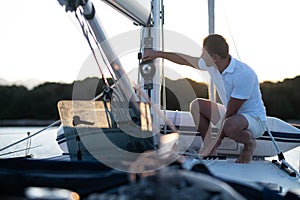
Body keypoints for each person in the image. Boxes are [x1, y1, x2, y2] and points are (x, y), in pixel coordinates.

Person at [142, 34, 267, 164]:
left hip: (254, 120)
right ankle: (208, 146)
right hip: (231, 114)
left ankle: (249, 144)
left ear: (215, 58)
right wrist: (158, 54)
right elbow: (185, 60)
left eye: (203, 53)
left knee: (230, 124)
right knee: (196, 105)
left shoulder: (244, 75)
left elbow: (231, 112)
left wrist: (216, 143)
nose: (201, 56)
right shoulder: (212, 64)